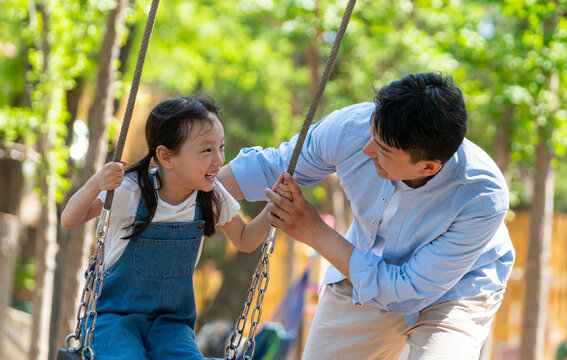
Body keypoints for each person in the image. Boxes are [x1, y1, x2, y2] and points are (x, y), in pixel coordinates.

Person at [218, 72, 515, 360]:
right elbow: (275, 166)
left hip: (457, 289)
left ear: (428, 167)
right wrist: (195, 188)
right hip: (362, 265)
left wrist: (315, 233)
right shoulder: (353, 127)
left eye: (383, 149)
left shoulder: (482, 196)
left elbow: (406, 292)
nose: (366, 149)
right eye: (372, 133)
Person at [61, 96, 284, 359]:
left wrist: (272, 210)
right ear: (167, 156)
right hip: (114, 318)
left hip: (172, 325)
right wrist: (95, 184)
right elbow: (70, 219)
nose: (219, 160)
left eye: (221, 147)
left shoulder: (211, 195)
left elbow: (245, 239)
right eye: (206, 150)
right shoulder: (131, 189)